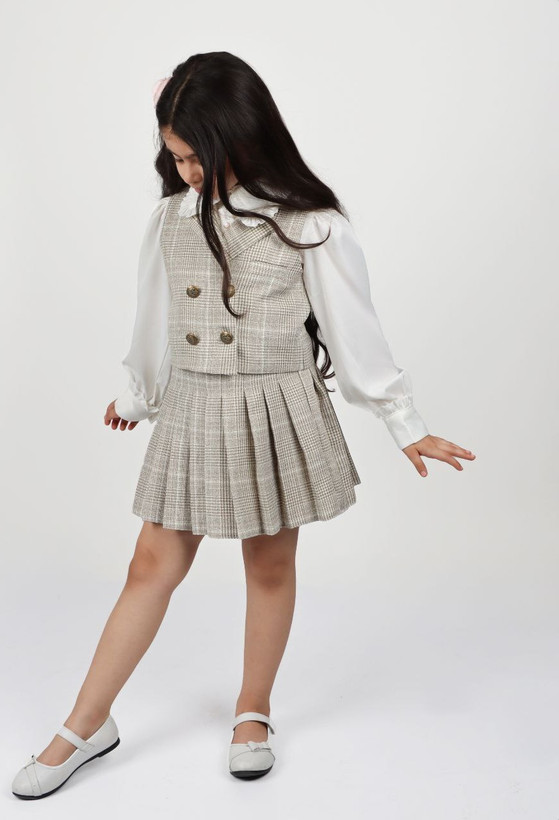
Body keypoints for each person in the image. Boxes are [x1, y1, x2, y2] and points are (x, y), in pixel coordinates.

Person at [11, 51, 475, 798]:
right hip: (195, 405)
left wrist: (403, 420)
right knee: (151, 566)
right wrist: (137, 395)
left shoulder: (310, 222)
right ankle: (85, 724)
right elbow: (154, 316)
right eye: (176, 157)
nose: (187, 172)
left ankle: (252, 711)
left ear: (243, 133)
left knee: (268, 564)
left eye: (198, 155)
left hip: (273, 406)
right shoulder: (170, 218)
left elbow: (354, 330)